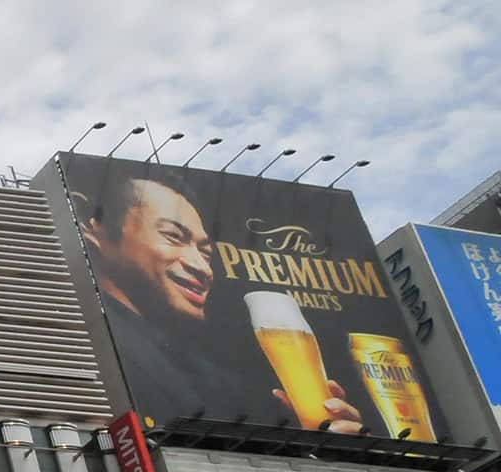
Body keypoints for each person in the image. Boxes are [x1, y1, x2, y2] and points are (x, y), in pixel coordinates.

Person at [71, 159, 365, 434]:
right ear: (94, 228)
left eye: (206, 253)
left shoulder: (213, 378)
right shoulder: (83, 342)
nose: (202, 268)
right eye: (173, 236)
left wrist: (324, 442)